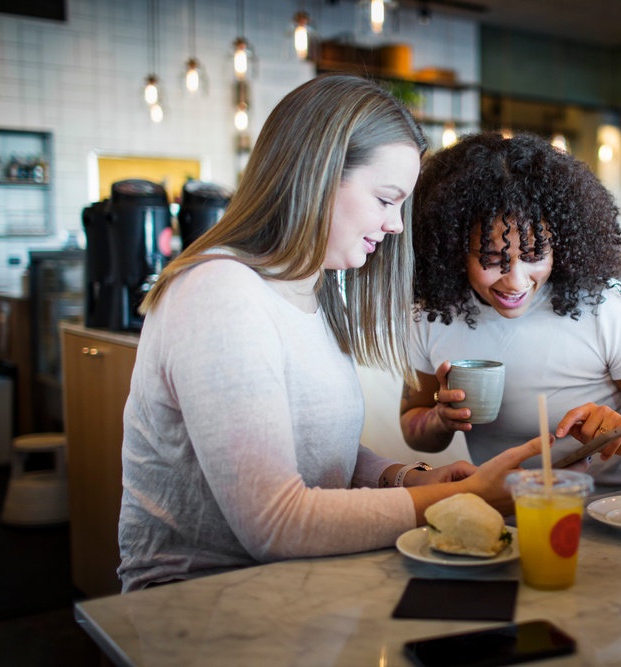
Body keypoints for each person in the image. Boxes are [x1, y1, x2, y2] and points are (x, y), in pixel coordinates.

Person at [117, 75, 544, 592]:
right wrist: (459, 498)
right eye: (387, 200)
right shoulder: (220, 293)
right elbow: (276, 523)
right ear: (316, 175)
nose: (396, 227)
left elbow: (311, 448)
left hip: (293, 587)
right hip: (198, 604)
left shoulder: (307, 292)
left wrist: (406, 478)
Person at [399, 132, 621, 487]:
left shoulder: (605, 308)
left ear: (561, 244)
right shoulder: (434, 314)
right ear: (452, 249)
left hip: (603, 514)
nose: (515, 281)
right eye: (491, 258)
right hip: (499, 519)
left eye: (533, 256)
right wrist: (439, 419)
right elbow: (413, 423)